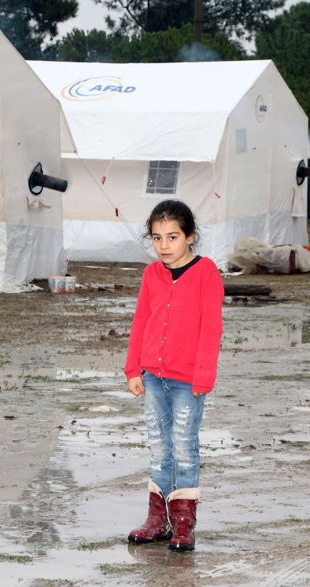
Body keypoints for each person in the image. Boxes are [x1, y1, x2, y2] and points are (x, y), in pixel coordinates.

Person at [124, 199, 223, 552]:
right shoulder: (152, 274)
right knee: (158, 447)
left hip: (187, 382)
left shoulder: (206, 272)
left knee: (183, 447)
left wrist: (203, 377)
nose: (164, 246)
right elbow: (140, 322)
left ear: (190, 237)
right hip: (153, 376)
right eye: (157, 238)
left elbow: (211, 328)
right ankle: (157, 520)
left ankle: (184, 523)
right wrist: (133, 368)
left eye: (172, 237)